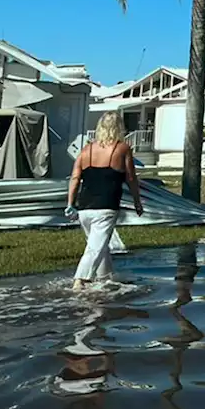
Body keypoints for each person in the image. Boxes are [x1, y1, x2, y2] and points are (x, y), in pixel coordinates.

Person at [67, 112, 143, 289]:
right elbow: (131, 178)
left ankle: (105, 278)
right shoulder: (122, 148)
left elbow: (75, 178)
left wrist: (70, 204)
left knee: (99, 245)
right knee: (95, 247)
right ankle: (80, 281)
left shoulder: (86, 150)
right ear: (119, 128)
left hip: (84, 207)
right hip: (106, 206)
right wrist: (137, 202)